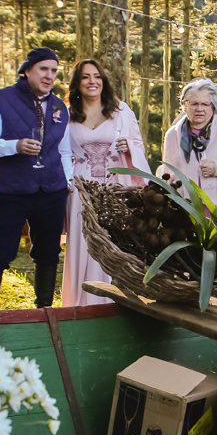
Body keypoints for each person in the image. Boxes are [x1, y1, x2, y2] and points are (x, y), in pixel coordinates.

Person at [0, 47, 75, 310]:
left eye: (54, 71)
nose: (49, 75)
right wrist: (15, 146)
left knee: (49, 254)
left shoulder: (59, 106)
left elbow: (64, 150)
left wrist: (68, 181)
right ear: (27, 70)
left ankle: (45, 313)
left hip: (52, 190)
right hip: (13, 190)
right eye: (43, 69)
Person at [62, 57, 151, 307]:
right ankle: (80, 304)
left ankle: (113, 303)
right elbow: (61, 152)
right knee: (83, 243)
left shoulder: (121, 111)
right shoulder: (67, 114)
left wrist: (129, 147)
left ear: (104, 81)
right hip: (80, 189)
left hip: (114, 187)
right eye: (85, 77)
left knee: (113, 242)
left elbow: (138, 145)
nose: (92, 81)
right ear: (77, 83)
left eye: (97, 76)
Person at [158, 77, 217, 219]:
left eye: (205, 104)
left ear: (213, 105)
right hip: (185, 212)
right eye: (194, 104)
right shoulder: (173, 135)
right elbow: (169, 176)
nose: (199, 109)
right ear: (184, 105)